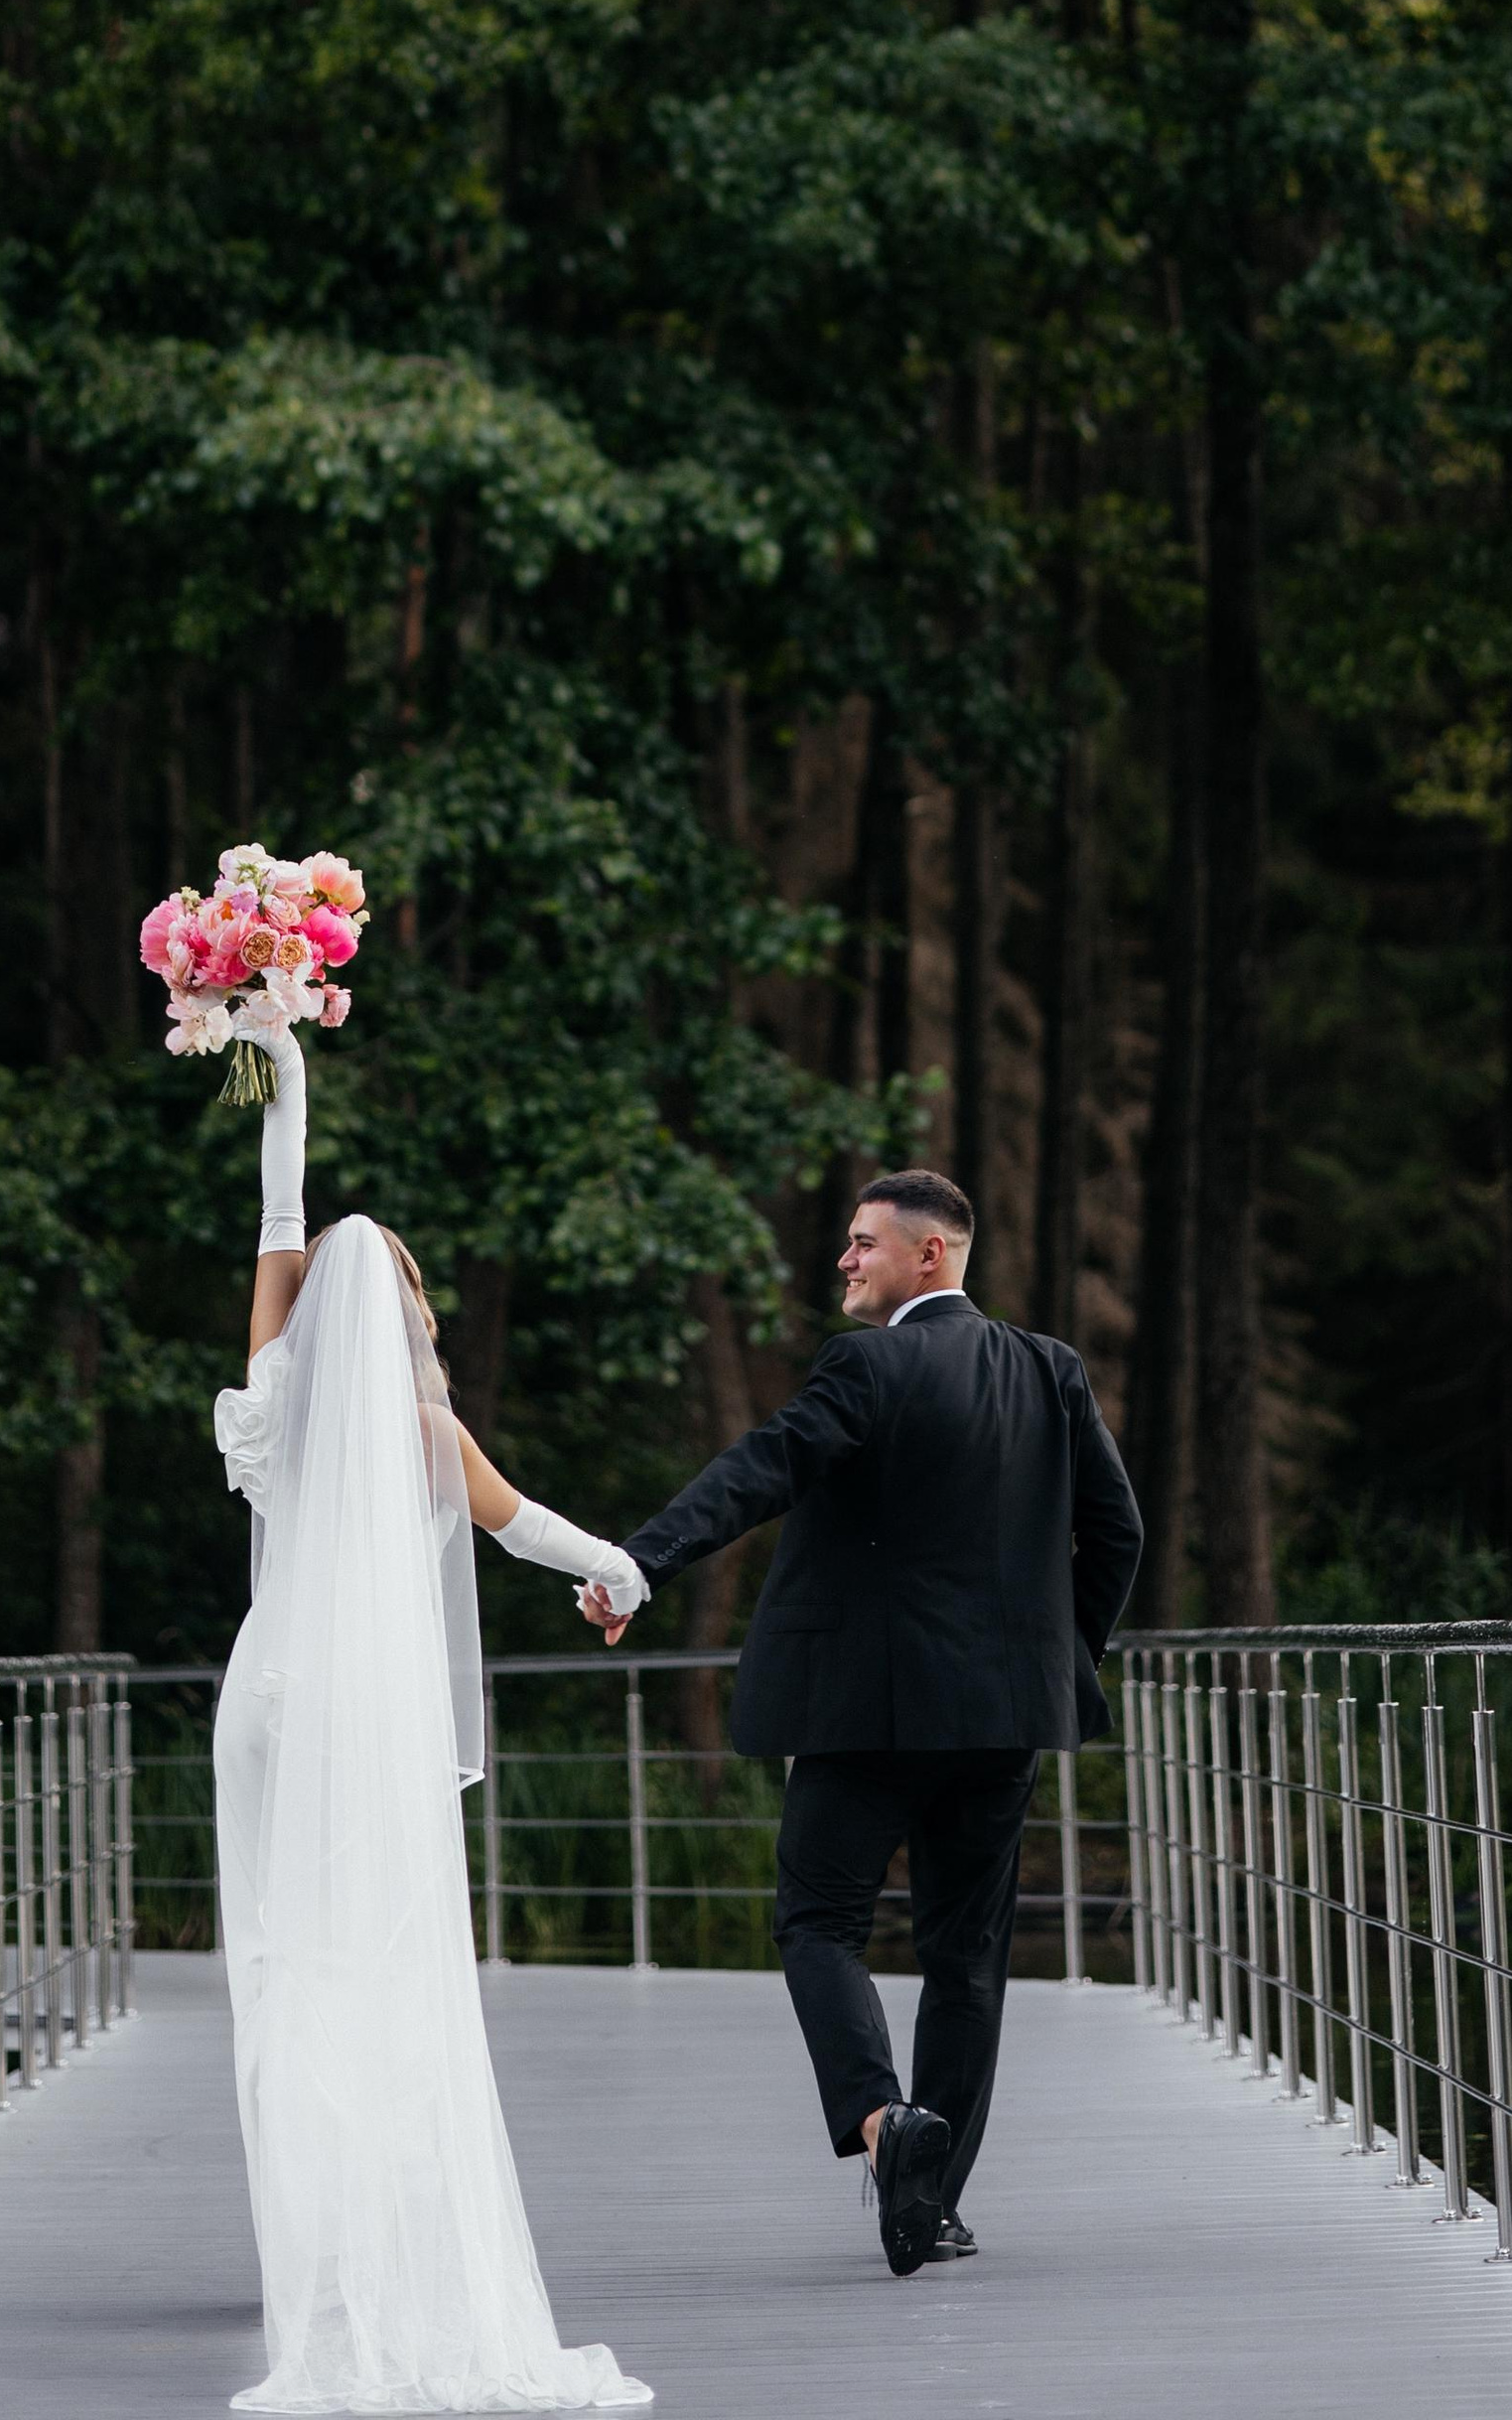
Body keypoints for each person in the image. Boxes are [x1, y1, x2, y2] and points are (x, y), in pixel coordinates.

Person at [582, 1169, 1142, 2279]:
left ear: (929, 1255)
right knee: (966, 1960)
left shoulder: (869, 1363)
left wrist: (637, 1563)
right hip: (1001, 1723)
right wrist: (1049, 1659)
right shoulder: (1050, 1371)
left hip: (865, 1717)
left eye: (862, 1243)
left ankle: (886, 2125)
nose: (843, 1260)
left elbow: (761, 1470)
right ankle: (932, 2208)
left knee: (817, 1924)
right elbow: (1114, 1536)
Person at [210, 1014, 651, 2415]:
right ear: (402, 1314)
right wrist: (623, 1573)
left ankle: (310, 2236)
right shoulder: (419, 1430)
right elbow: (527, 1533)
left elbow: (282, 1204)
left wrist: (282, 1056)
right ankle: (380, 2237)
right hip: (365, 1723)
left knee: (282, 1967)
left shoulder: (272, 1398)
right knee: (384, 1971)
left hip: (264, 1706)